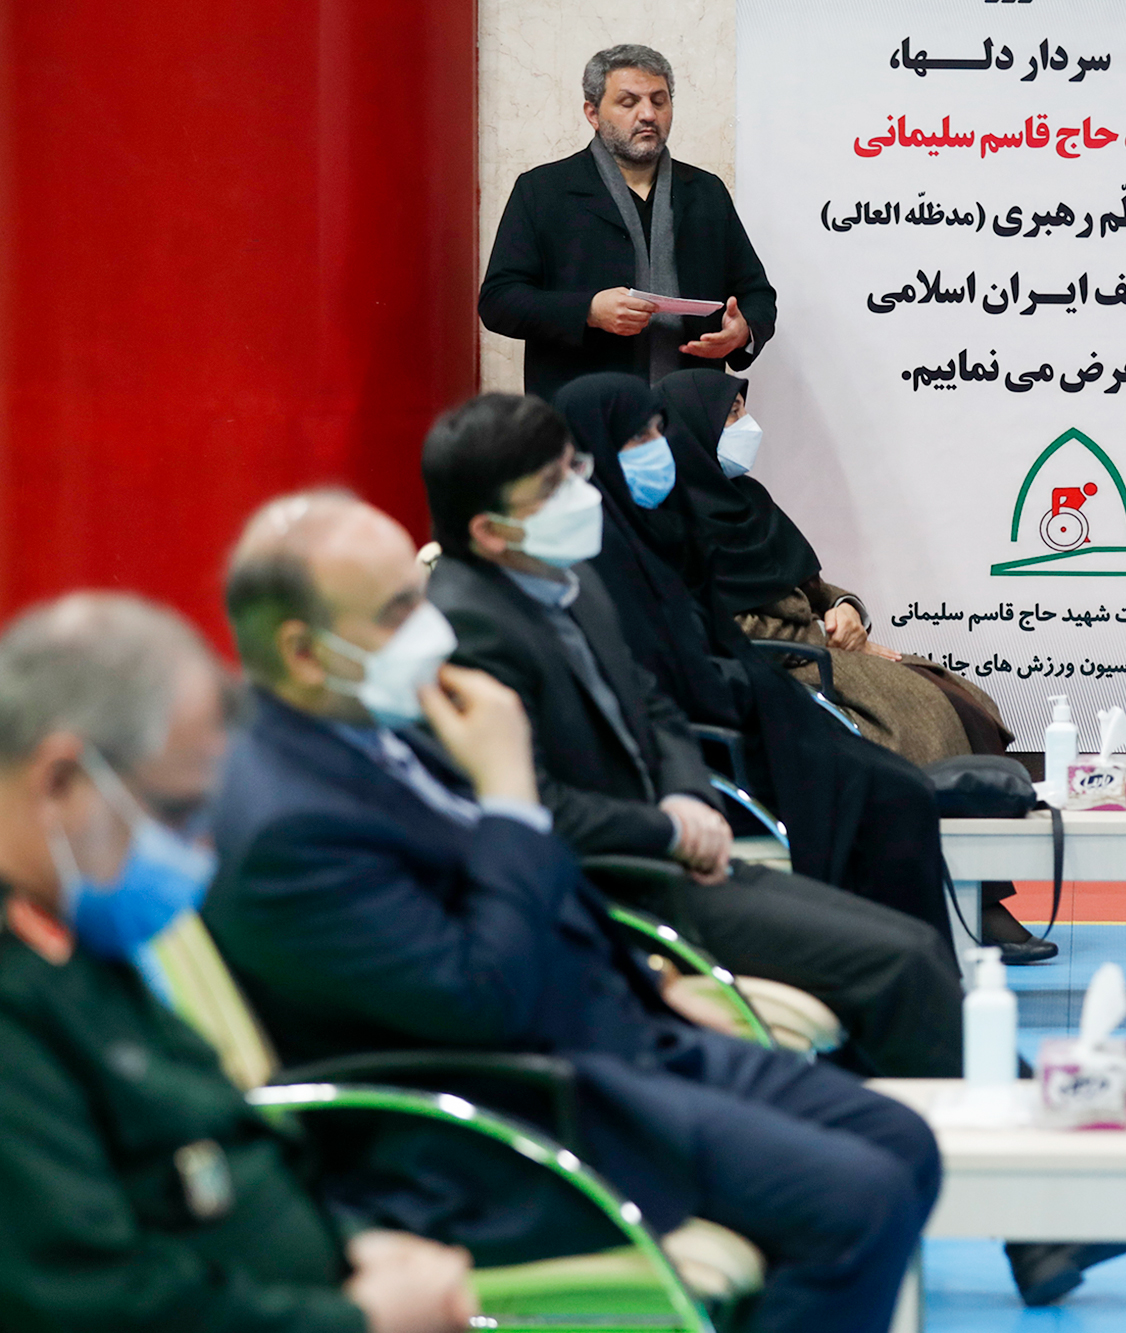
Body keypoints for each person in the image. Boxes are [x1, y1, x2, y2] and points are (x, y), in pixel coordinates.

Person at [206, 493, 940, 1333]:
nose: (430, 626)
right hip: (514, 1115)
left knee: (903, 1141)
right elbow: (481, 996)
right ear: (303, 651)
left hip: (613, 1034)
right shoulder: (285, 822)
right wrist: (511, 795)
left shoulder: (377, 726)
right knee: (858, 1201)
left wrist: (649, 981)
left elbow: (530, 890)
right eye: (398, 609)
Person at [417, 398, 967, 1065]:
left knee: (911, 942)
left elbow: (652, 703)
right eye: (553, 485)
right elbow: (530, 804)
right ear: (489, 531)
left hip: (676, 852)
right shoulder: (466, 631)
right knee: (899, 961)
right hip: (608, 886)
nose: (581, 492)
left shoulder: (570, 579)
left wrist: (685, 793)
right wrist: (670, 828)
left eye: (574, 468)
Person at [0, 593, 475, 1333]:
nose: (199, 850)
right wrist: (359, 1320)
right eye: (174, 813)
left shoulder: (73, 939)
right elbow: (88, 1301)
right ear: (61, 779)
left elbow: (214, 1138)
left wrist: (350, 1247)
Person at [647, 369, 1052, 962]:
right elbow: (732, 628)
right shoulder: (678, 523)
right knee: (923, 723)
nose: (745, 426)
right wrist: (827, 638)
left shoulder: (748, 501)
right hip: (781, 673)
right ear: (695, 428)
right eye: (730, 415)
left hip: (823, 655)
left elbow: (812, 583)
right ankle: (955, 903)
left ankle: (980, 895)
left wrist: (845, 609)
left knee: (958, 699)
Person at [479, 44, 777, 401]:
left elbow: (757, 294)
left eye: (659, 101)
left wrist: (742, 331)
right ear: (593, 113)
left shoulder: (704, 191)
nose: (648, 114)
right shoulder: (544, 190)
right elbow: (499, 301)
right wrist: (589, 311)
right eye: (628, 102)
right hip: (582, 412)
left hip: (692, 410)